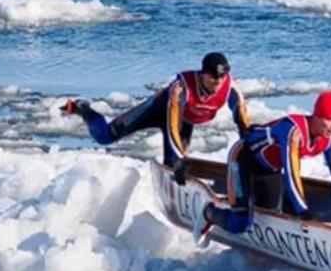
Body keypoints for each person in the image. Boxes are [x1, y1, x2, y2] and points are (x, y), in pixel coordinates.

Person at [192, 90, 331, 247]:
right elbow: (291, 173)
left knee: (269, 220)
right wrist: (303, 210)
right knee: (240, 223)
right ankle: (209, 212)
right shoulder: (293, 132)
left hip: (269, 170)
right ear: (316, 115)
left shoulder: (330, 140)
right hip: (242, 160)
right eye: (329, 119)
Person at [60, 52, 249, 183]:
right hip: (157, 111)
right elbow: (173, 121)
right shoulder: (181, 89)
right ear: (202, 75)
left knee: (174, 166)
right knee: (104, 137)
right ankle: (83, 108)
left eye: (221, 78)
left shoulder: (230, 89)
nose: (217, 83)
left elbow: (243, 123)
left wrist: (248, 152)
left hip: (184, 119)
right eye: (212, 78)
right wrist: (181, 158)